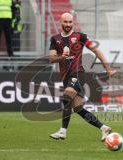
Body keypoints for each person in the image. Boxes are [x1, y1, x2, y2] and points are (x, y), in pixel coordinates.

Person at [49, 12, 116, 141]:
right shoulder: (55, 39)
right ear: (60, 23)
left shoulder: (80, 36)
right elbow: (51, 59)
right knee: (78, 108)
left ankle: (63, 131)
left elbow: (96, 51)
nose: (68, 24)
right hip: (66, 77)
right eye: (65, 22)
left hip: (78, 73)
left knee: (67, 94)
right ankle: (103, 128)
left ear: (73, 22)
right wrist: (61, 57)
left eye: (70, 22)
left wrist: (108, 68)